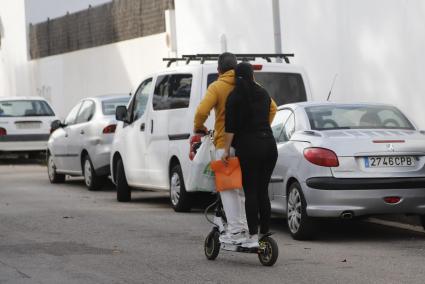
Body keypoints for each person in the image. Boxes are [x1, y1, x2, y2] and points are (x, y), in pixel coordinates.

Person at [222, 62, 278, 248]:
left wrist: (226, 151)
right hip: (269, 146)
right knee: (263, 190)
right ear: (252, 76)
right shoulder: (263, 93)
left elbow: (229, 129)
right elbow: (271, 112)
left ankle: (253, 236)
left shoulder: (234, 97)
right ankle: (265, 232)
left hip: (249, 147)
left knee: (251, 192)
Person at [194, 52, 248, 244]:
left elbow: (201, 111)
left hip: (224, 145)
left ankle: (235, 231)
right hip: (247, 145)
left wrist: (199, 127)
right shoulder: (249, 84)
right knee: (242, 189)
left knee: (228, 189)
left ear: (219, 70)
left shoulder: (217, 86)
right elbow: (272, 107)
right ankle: (246, 227)